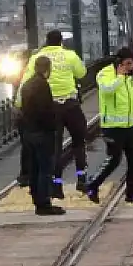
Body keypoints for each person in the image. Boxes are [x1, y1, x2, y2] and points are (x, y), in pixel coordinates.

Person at [17, 30, 88, 197]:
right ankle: (82, 179)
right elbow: (82, 73)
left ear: (46, 41)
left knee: (55, 148)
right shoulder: (69, 55)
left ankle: (57, 185)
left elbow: (25, 81)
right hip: (70, 105)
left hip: (51, 106)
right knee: (79, 142)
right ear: (61, 41)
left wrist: (19, 104)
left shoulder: (37, 57)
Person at [83, 47, 133, 204]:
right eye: (128, 63)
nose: (131, 67)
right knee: (114, 159)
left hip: (129, 125)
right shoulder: (105, 74)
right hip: (112, 126)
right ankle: (92, 184)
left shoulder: (130, 77)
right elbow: (106, 89)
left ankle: (132, 193)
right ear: (119, 62)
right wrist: (119, 76)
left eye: (132, 63)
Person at [19, 56, 65, 216]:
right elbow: (45, 111)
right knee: (45, 169)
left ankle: (37, 200)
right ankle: (44, 204)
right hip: (42, 133)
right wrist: (54, 125)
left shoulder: (27, 84)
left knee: (34, 169)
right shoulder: (43, 85)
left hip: (29, 132)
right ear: (48, 69)